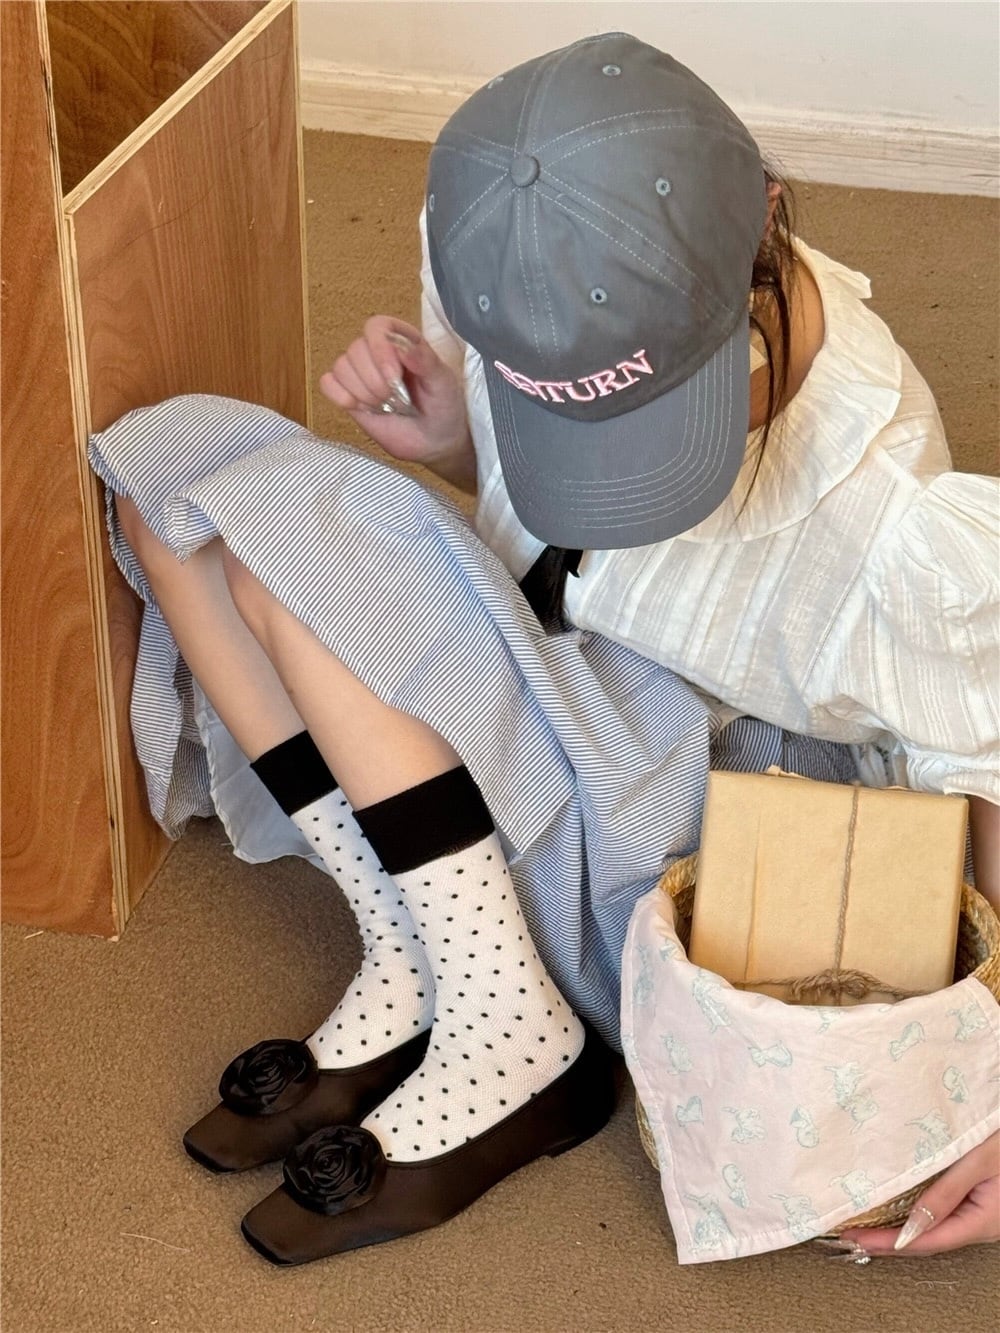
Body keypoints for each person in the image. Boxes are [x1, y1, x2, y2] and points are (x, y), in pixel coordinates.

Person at [88, 33, 998, 1266]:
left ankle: (513, 1019)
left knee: (301, 545)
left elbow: (982, 764)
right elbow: (577, 546)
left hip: (700, 811)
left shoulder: (896, 525)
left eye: (655, 419)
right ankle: (428, 947)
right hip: (558, 686)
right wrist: (460, 443)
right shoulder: (506, 253)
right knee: (181, 485)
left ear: (764, 219)